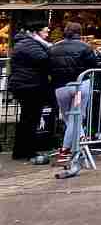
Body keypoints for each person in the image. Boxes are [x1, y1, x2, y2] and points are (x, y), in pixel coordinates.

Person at [48, 22, 99, 167]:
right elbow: (94, 64)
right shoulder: (85, 47)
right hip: (80, 85)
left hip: (60, 87)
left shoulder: (53, 47)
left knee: (68, 118)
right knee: (75, 118)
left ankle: (76, 147)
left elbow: (48, 66)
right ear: (80, 32)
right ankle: (67, 150)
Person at [9, 21, 53, 163]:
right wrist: (50, 49)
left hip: (26, 84)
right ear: (36, 32)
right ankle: (29, 151)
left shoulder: (25, 43)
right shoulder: (29, 43)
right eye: (45, 31)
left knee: (26, 119)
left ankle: (20, 151)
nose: (47, 34)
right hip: (29, 86)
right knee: (31, 119)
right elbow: (43, 59)